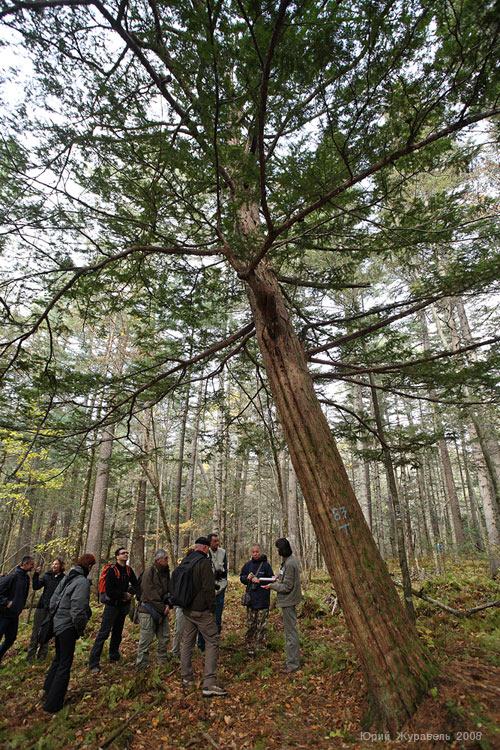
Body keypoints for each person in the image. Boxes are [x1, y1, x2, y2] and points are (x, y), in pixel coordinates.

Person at [42, 553, 95, 713]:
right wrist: (79, 628)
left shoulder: (68, 578)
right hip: (67, 626)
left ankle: (46, 691)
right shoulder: (81, 582)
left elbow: (54, 601)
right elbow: (78, 609)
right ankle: (53, 705)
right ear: (89, 566)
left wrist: (56, 618)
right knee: (64, 663)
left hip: (58, 623)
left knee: (58, 659)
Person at [180, 537, 227, 696]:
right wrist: (212, 608)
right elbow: (208, 588)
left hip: (187, 609)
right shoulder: (203, 563)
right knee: (213, 641)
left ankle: (186, 678)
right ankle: (210, 683)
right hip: (201, 611)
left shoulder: (186, 560)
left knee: (187, 641)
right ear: (205, 548)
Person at [89, 547, 138, 674]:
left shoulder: (128, 570)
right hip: (111, 606)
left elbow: (136, 583)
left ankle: (114, 656)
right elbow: (109, 591)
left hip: (122, 607)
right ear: (117, 557)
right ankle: (93, 662)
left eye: (127, 553)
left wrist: (130, 593)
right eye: (123, 553)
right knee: (103, 633)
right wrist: (123, 595)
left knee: (117, 632)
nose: (125, 555)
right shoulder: (112, 570)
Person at [262, 538, 302, 674]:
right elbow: (284, 579)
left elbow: (287, 586)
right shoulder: (287, 561)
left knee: (291, 633)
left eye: (278, 549)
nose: (277, 551)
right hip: (287, 600)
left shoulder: (290, 563)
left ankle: (293, 664)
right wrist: (276, 579)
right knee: (290, 632)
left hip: (289, 601)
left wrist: (272, 586)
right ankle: (292, 661)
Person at [136, 549, 171, 671]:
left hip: (162, 610)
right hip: (148, 610)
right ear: (158, 560)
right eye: (165, 558)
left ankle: (162, 659)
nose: (167, 561)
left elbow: (167, 590)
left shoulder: (166, 572)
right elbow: (149, 593)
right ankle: (141, 665)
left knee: (165, 636)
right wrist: (162, 608)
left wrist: (168, 604)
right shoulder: (149, 572)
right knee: (146, 639)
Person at [27, 557, 65, 664]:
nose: (54, 566)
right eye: (53, 564)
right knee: (36, 632)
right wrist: (36, 575)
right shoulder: (47, 576)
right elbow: (36, 586)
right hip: (41, 607)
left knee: (47, 632)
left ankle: (42, 658)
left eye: (56, 564)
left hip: (53, 610)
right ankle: (30, 658)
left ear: (61, 566)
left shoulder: (63, 579)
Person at [0, 555, 35, 664]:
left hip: (14, 615)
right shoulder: (12, 577)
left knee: (11, 638)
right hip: (3, 615)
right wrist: (7, 603)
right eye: (31, 565)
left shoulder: (26, 578)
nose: (32, 567)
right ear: (24, 564)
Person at [240, 544, 274, 655]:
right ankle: (249, 644)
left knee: (262, 625)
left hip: (263, 599)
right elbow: (242, 577)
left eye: (257, 552)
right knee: (251, 624)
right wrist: (247, 578)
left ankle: (261, 644)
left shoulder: (266, 565)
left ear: (261, 552)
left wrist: (260, 581)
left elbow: (272, 579)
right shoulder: (248, 565)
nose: (255, 554)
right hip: (251, 600)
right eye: (253, 552)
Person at [197, 532, 227, 651]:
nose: (217, 543)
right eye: (215, 541)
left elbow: (226, 569)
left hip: (220, 590)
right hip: (207, 592)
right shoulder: (204, 553)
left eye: (218, 541)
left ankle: (215, 644)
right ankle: (201, 645)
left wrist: (223, 579)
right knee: (204, 620)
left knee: (217, 619)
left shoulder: (222, 552)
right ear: (209, 542)